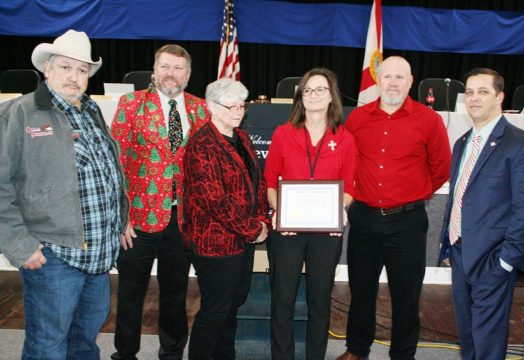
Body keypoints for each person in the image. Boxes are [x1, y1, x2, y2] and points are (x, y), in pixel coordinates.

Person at [0, 29, 129, 359]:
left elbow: (106, 171)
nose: (74, 77)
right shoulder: (20, 113)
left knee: (84, 342)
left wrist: (122, 218)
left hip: (98, 254)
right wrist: (18, 244)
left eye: (82, 70)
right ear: (47, 69)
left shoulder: (91, 111)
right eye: (65, 67)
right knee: (48, 345)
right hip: (53, 255)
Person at [337, 56, 452, 360]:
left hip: (408, 222)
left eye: (400, 77)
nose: (393, 83)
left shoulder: (429, 120)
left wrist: (413, 192)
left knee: (406, 295)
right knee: (361, 291)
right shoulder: (358, 119)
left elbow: (441, 168)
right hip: (363, 219)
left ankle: (403, 355)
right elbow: (346, 164)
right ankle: (357, 350)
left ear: (411, 82)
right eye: (387, 76)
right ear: (378, 79)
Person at [439, 68, 524, 360]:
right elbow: (459, 197)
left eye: (483, 92)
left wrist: (506, 262)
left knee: (487, 344)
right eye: (470, 92)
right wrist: (449, 246)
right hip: (460, 256)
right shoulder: (463, 142)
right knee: (469, 339)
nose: (474, 98)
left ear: (500, 97)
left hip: (493, 261)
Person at [110, 44, 209, 360]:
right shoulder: (131, 104)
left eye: (178, 68)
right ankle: (125, 354)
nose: (171, 73)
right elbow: (116, 162)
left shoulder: (201, 109)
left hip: (181, 221)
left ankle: (171, 353)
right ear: (154, 71)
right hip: (136, 221)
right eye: (165, 67)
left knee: (175, 294)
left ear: (188, 74)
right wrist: (121, 215)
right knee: (129, 295)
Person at [264, 67, 357, 359]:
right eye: (308, 90)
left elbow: (350, 189)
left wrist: (338, 210)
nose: (313, 96)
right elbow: (269, 184)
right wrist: (281, 211)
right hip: (287, 231)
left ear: (332, 97)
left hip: (325, 234)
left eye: (320, 90)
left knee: (319, 303)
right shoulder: (282, 134)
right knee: (283, 301)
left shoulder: (345, 139)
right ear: (300, 97)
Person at [182, 78, 269, 359]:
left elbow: (258, 181)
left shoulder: (241, 137)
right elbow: (213, 200)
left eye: (242, 105)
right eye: (231, 106)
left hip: (242, 239)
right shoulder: (201, 144)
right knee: (216, 310)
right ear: (211, 107)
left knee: (232, 305)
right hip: (215, 244)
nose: (238, 111)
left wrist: (260, 220)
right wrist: (252, 229)